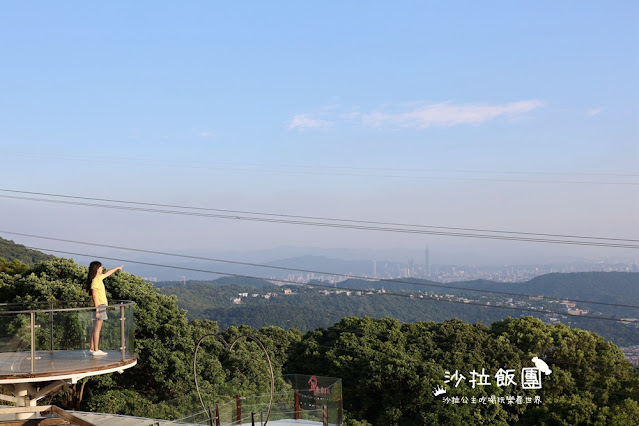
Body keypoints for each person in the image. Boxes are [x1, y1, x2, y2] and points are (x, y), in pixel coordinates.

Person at [86, 261, 123, 356]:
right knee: (97, 329)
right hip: (99, 306)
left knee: (94, 328)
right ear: (97, 269)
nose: (102, 269)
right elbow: (94, 296)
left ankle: (92, 348)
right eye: (101, 267)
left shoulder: (99, 278)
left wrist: (116, 268)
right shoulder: (95, 281)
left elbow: (108, 273)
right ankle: (96, 350)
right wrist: (97, 309)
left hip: (99, 306)